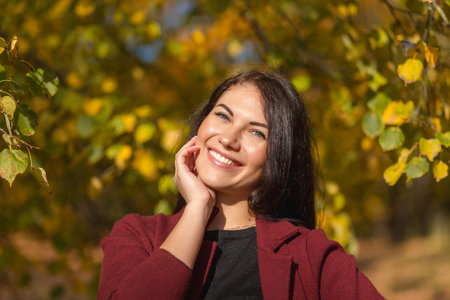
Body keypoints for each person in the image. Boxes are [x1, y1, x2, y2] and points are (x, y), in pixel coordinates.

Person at [97, 71, 384, 299]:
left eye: (256, 133)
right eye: (223, 116)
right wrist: (197, 208)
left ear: (277, 157)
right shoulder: (137, 235)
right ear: (202, 122)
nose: (228, 139)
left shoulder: (309, 255)